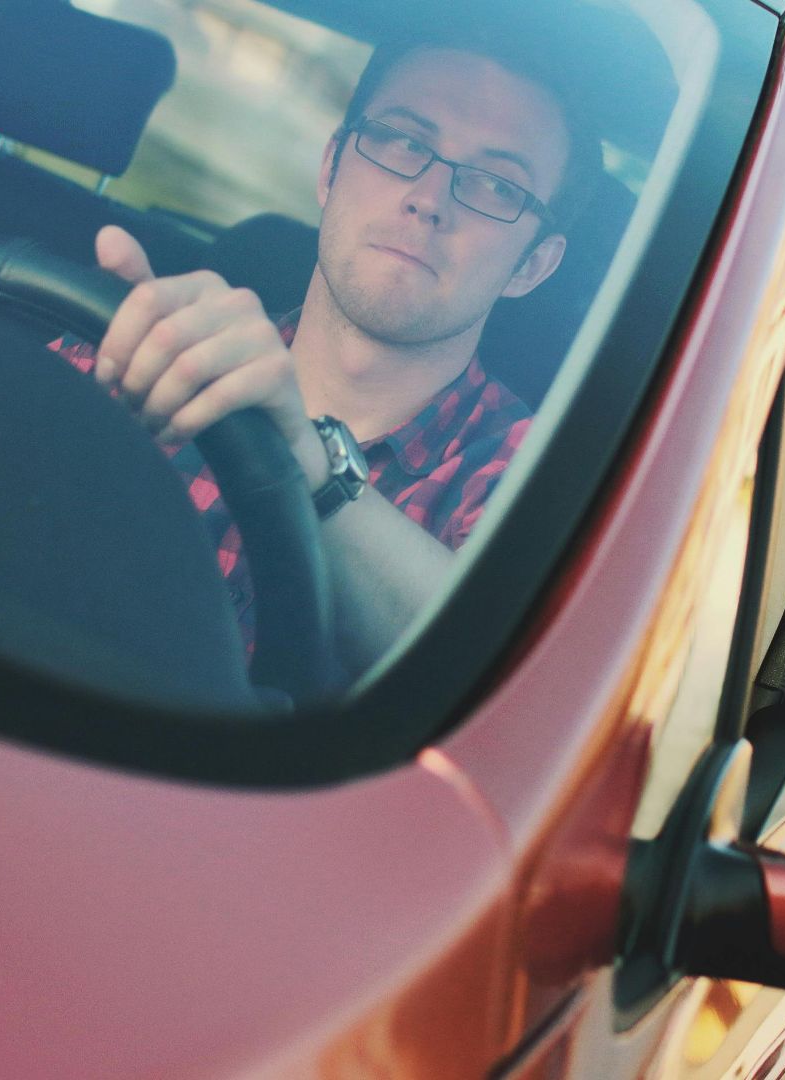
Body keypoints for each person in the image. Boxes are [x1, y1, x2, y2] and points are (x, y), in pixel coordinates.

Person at [53, 31, 593, 675]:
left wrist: (313, 465)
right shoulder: (146, 347)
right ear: (331, 168)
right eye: (404, 141)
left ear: (532, 265)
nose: (429, 199)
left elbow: (496, 682)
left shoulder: (545, 490)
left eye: (498, 186)